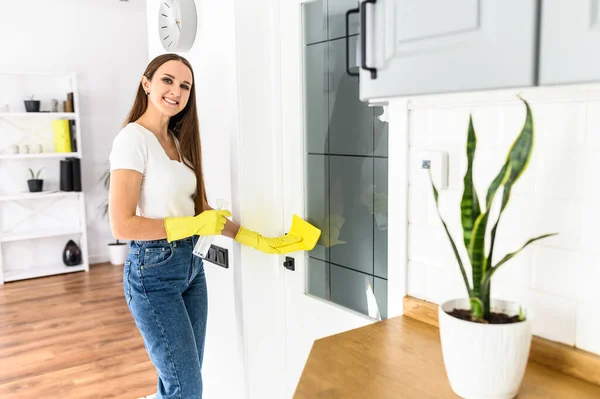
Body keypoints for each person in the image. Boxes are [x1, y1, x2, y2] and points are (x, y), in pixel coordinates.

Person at [108, 53, 307, 399]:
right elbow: (123, 225)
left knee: (183, 380)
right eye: (167, 80)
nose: (176, 91)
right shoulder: (132, 140)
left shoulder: (176, 142)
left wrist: (258, 240)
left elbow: (202, 212)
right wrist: (193, 223)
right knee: (186, 389)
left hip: (190, 268)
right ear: (146, 83)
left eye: (185, 85)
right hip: (152, 273)